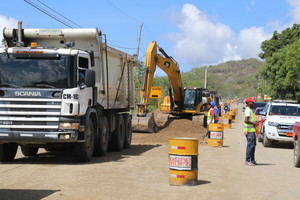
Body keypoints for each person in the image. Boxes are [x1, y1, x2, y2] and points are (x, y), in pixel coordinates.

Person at [244, 97, 258, 166]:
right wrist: (254, 123)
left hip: (252, 130)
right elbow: (246, 120)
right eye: (252, 102)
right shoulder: (248, 110)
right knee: (250, 146)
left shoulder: (250, 110)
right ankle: (248, 160)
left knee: (253, 145)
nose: (253, 103)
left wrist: (255, 122)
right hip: (249, 131)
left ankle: (252, 160)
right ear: (248, 103)